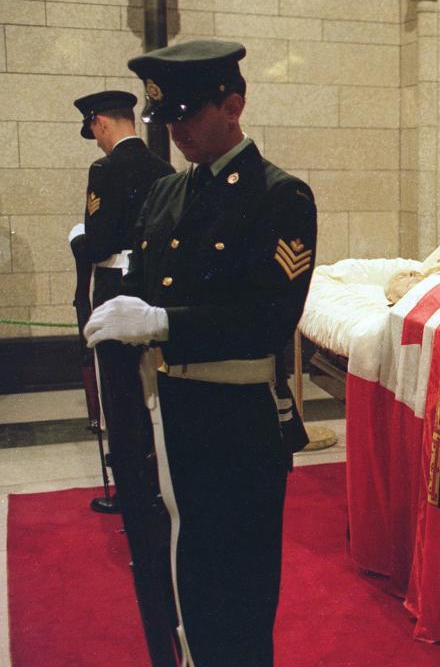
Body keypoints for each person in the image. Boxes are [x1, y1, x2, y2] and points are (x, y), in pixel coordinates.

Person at [85, 39, 317, 665]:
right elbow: (142, 285)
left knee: (237, 584)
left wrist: (161, 322)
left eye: (190, 114)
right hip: (175, 406)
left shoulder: (279, 195)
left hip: (240, 414)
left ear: (234, 103)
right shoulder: (166, 195)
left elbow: (269, 319)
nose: (178, 131)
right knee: (186, 564)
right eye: (168, 118)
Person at [69, 90, 175, 514]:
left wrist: (77, 236)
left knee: (120, 392)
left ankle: (131, 489)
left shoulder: (105, 168)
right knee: (156, 389)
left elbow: (97, 244)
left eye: (93, 130)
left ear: (100, 122)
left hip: (114, 289)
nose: (95, 140)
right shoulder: (165, 169)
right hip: (154, 288)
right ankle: (158, 481)